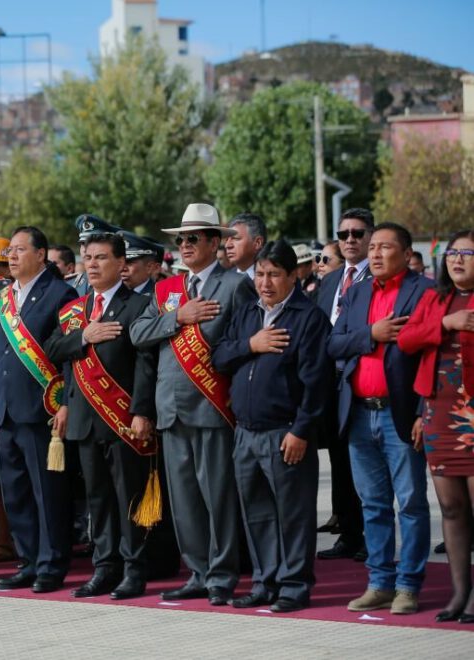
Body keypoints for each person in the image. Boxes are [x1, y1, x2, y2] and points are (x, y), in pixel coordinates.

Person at [130, 203, 257, 606]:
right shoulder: (167, 290)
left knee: (217, 497)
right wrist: (179, 318)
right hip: (171, 408)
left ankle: (222, 576)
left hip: (212, 405)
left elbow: (245, 342)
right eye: (181, 239)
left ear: (214, 242)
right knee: (184, 501)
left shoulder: (235, 285)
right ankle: (198, 573)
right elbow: (137, 333)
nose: (184, 245)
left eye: (193, 238)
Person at [212, 240, 332, 613]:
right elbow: (220, 356)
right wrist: (252, 344)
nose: (265, 282)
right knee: (258, 514)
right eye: (260, 274)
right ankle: (265, 583)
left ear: (293, 275)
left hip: (286, 432)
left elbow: (318, 383)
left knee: (293, 515)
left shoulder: (308, 317)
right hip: (246, 432)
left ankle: (294, 586)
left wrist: (301, 430)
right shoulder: (247, 312)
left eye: (274, 274)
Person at [329, 222, 434, 615]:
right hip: (359, 412)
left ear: (406, 254)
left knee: (410, 503)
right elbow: (333, 344)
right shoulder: (357, 293)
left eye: (384, 247)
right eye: (372, 247)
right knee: (372, 504)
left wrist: (423, 412)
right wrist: (371, 333)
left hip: (400, 413)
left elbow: (431, 355)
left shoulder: (423, 291)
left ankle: (408, 585)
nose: (374, 253)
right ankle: (379, 582)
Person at [45, 234, 156, 600]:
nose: (92, 264)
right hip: (85, 417)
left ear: (121, 264)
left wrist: (142, 410)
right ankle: (105, 567)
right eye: (88, 257)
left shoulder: (138, 304)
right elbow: (53, 348)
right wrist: (85, 336)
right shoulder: (75, 311)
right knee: (98, 499)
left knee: (129, 497)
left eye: (101, 257)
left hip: (122, 418)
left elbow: (146, 363)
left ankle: (134, 569)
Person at [0, 226, 78, 594]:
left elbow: (70, 353)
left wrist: (67, 402)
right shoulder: (3, 298)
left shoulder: (61, 293)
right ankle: (27, 561)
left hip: (43, 409)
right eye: (10, 250)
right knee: (16, 493)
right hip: (7, 410)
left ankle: (51, 564)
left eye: (20, 249)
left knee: (48, 493)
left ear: (41, 255)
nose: (11, 256)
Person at [398, 229, 474, 622]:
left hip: (472, 414)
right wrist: (446, 322)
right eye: (453, 252)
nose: (457, 259)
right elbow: (407, 340)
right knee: (451, 507)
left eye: (468, 253)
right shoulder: (434, 298)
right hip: (438, 414)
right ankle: (460, 593)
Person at [315, 209, 373, 561]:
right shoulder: (331, 280)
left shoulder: (377, 279)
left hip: (362, 380)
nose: (349, 240)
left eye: (357, 233)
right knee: (338, 460)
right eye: (343, 234)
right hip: (330, 382)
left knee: (366, 462)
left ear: (370, 237)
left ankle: (372, 537)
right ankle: (349, 533)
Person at [71, 215, 122, 296]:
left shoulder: (125, 283)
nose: (86, 249)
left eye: (92, 244)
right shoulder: (72, 284)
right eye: (83, 244)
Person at [225, 212, 267, 280]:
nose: (227, 245)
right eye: (226, 240)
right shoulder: (225, 279)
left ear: (257, 243)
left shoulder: (271, 280)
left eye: (236, 238)